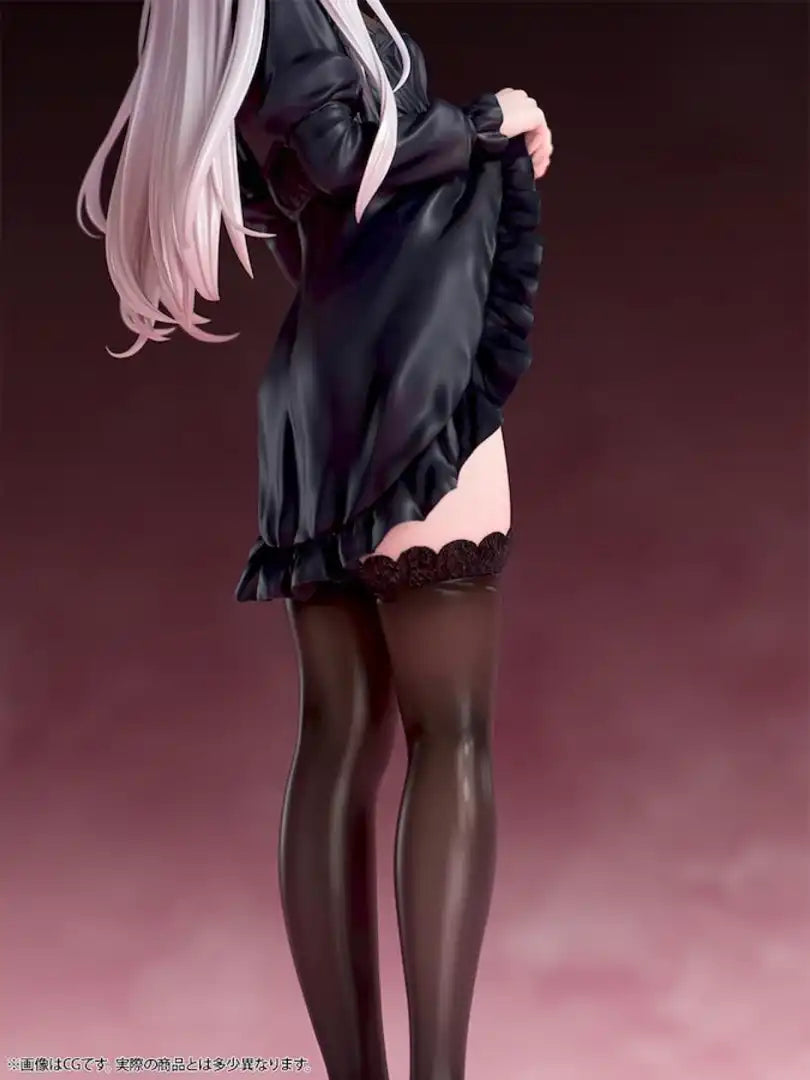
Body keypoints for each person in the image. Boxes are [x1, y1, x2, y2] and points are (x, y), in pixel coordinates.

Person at [78, 2, 553, 1078]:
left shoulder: (237, 25)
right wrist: (488, 120)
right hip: (404, 374)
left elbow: (302, 175)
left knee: (339, 737)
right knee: (448, 734)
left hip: (321, 388)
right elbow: (343, 156)